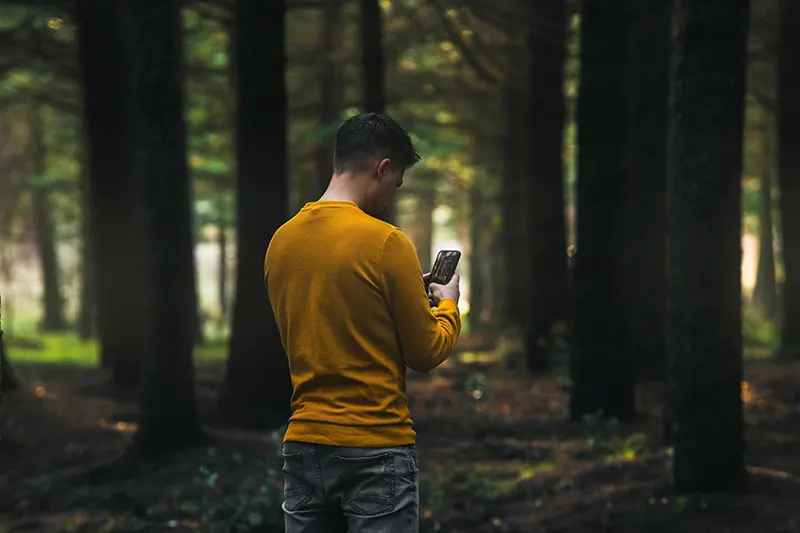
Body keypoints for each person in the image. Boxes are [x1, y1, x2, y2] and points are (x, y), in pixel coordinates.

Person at [264, 112, 462, 532]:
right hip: (375, 447)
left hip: (303, 445)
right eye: (396, 182)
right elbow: (425, 352)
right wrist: (447, 305)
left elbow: (326, 319)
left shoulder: (281, 241)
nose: (392, 195)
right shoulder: (385, 242)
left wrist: (404, 289)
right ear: (382, 167)